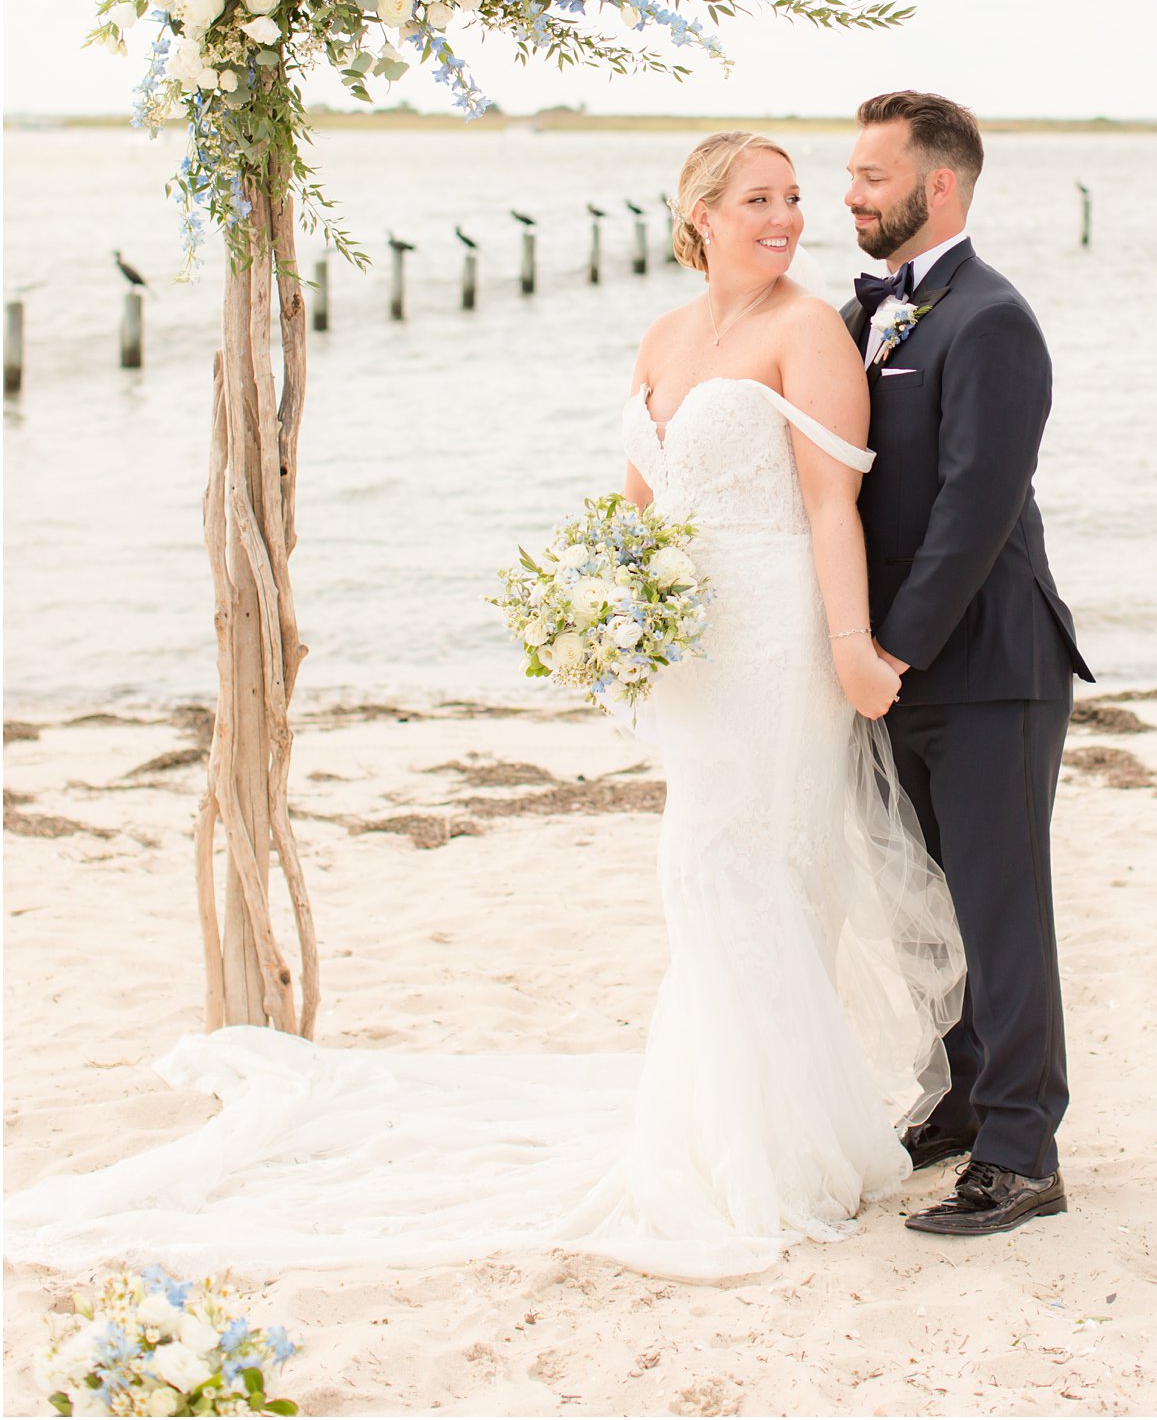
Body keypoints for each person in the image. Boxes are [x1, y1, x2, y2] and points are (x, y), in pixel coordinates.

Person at [6, 131, 963, 1286]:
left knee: (752, 866)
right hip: (692, 651)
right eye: (758, 198)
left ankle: (777, 1146)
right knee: (702, 870)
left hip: (774, 638)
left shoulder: (808, 331)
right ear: (698, 212)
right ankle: (739, 1121)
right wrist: (604, 607)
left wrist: (854, 645)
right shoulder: (663, 336)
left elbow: (828, 510)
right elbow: (641, 505)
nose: (784, 218)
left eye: (793, 199)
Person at [843, 89, 1093, 1239]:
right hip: (895, 668)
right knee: (925, 902)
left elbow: (973, 507)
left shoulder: (990, 317)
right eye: (850, 175)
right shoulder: (871, 312)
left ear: (937, 186)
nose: (851, 194)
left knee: (998, 910)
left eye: (872, 177)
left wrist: (891, 646)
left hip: (986, 663)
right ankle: (958, 1098)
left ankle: (1020, 1153)